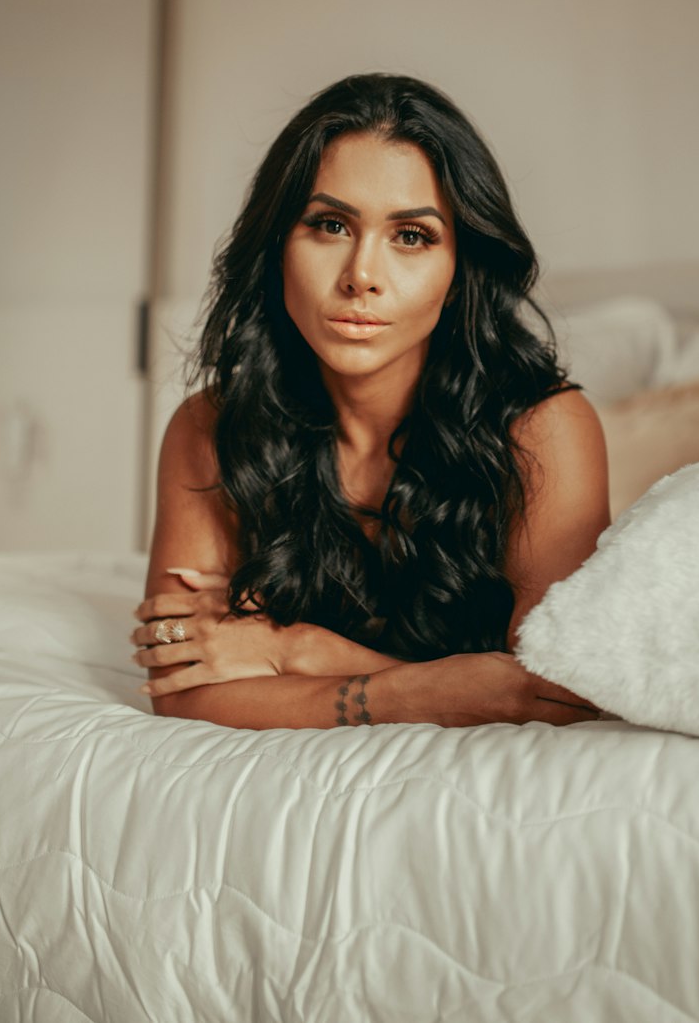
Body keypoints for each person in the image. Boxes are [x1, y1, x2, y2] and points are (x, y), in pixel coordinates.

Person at [132, 73, 610, 728]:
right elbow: (181, 690)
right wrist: (428, 692)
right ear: (277, 246)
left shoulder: (542, 428)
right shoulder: (212, 427)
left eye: (411, 236)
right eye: (330, 225)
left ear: (460, 267)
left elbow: (555, 698)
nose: (361, 276)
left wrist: (298, 650)